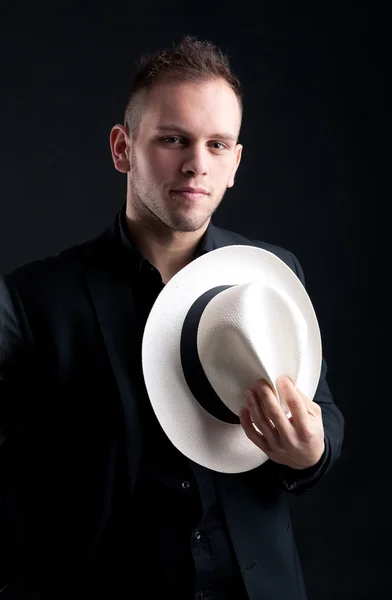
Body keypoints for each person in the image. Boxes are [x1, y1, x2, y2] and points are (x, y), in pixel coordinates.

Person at [0, 35, 344, 600]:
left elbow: (323, 417)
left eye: (217, 145)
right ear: (122, 147)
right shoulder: (34, 299)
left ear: (235, 163)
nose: (195, 164)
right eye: (173, 139)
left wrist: (309, 454)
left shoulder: (273, 276)